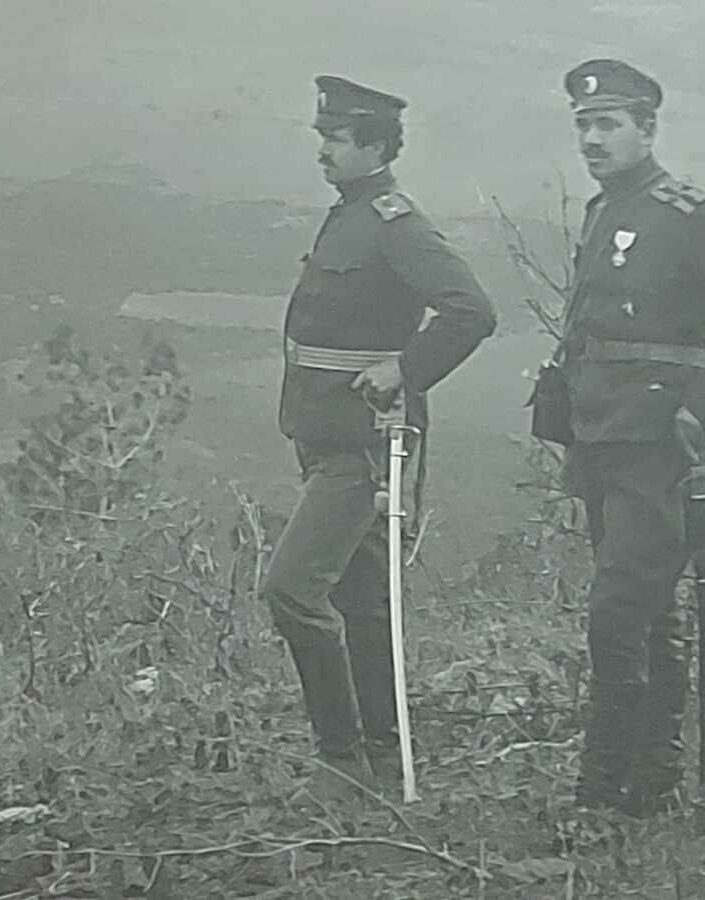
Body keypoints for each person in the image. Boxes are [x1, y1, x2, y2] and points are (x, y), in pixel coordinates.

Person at [553, 60, 705, 815]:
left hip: (659, 446)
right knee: (651, 616)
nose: (593, 139)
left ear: (648, 130)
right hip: (602, 440)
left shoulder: (688, 214)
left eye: (609, 124)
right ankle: (651, 783)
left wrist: (703, 413)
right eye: (584, 125)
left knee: (617, 615)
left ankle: (599, 796)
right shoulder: (605, 209)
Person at [261, 75, 497, 802]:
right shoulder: (349, 216)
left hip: (364, 445)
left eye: (335, 140)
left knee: (292, 591)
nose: (323, 152)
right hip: (325, 436)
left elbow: (470, 310)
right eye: (324, 138)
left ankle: (339, 758)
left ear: (373, 145)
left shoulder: (395, 223)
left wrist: (407, 369)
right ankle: (380, 756)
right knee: (362, 601)